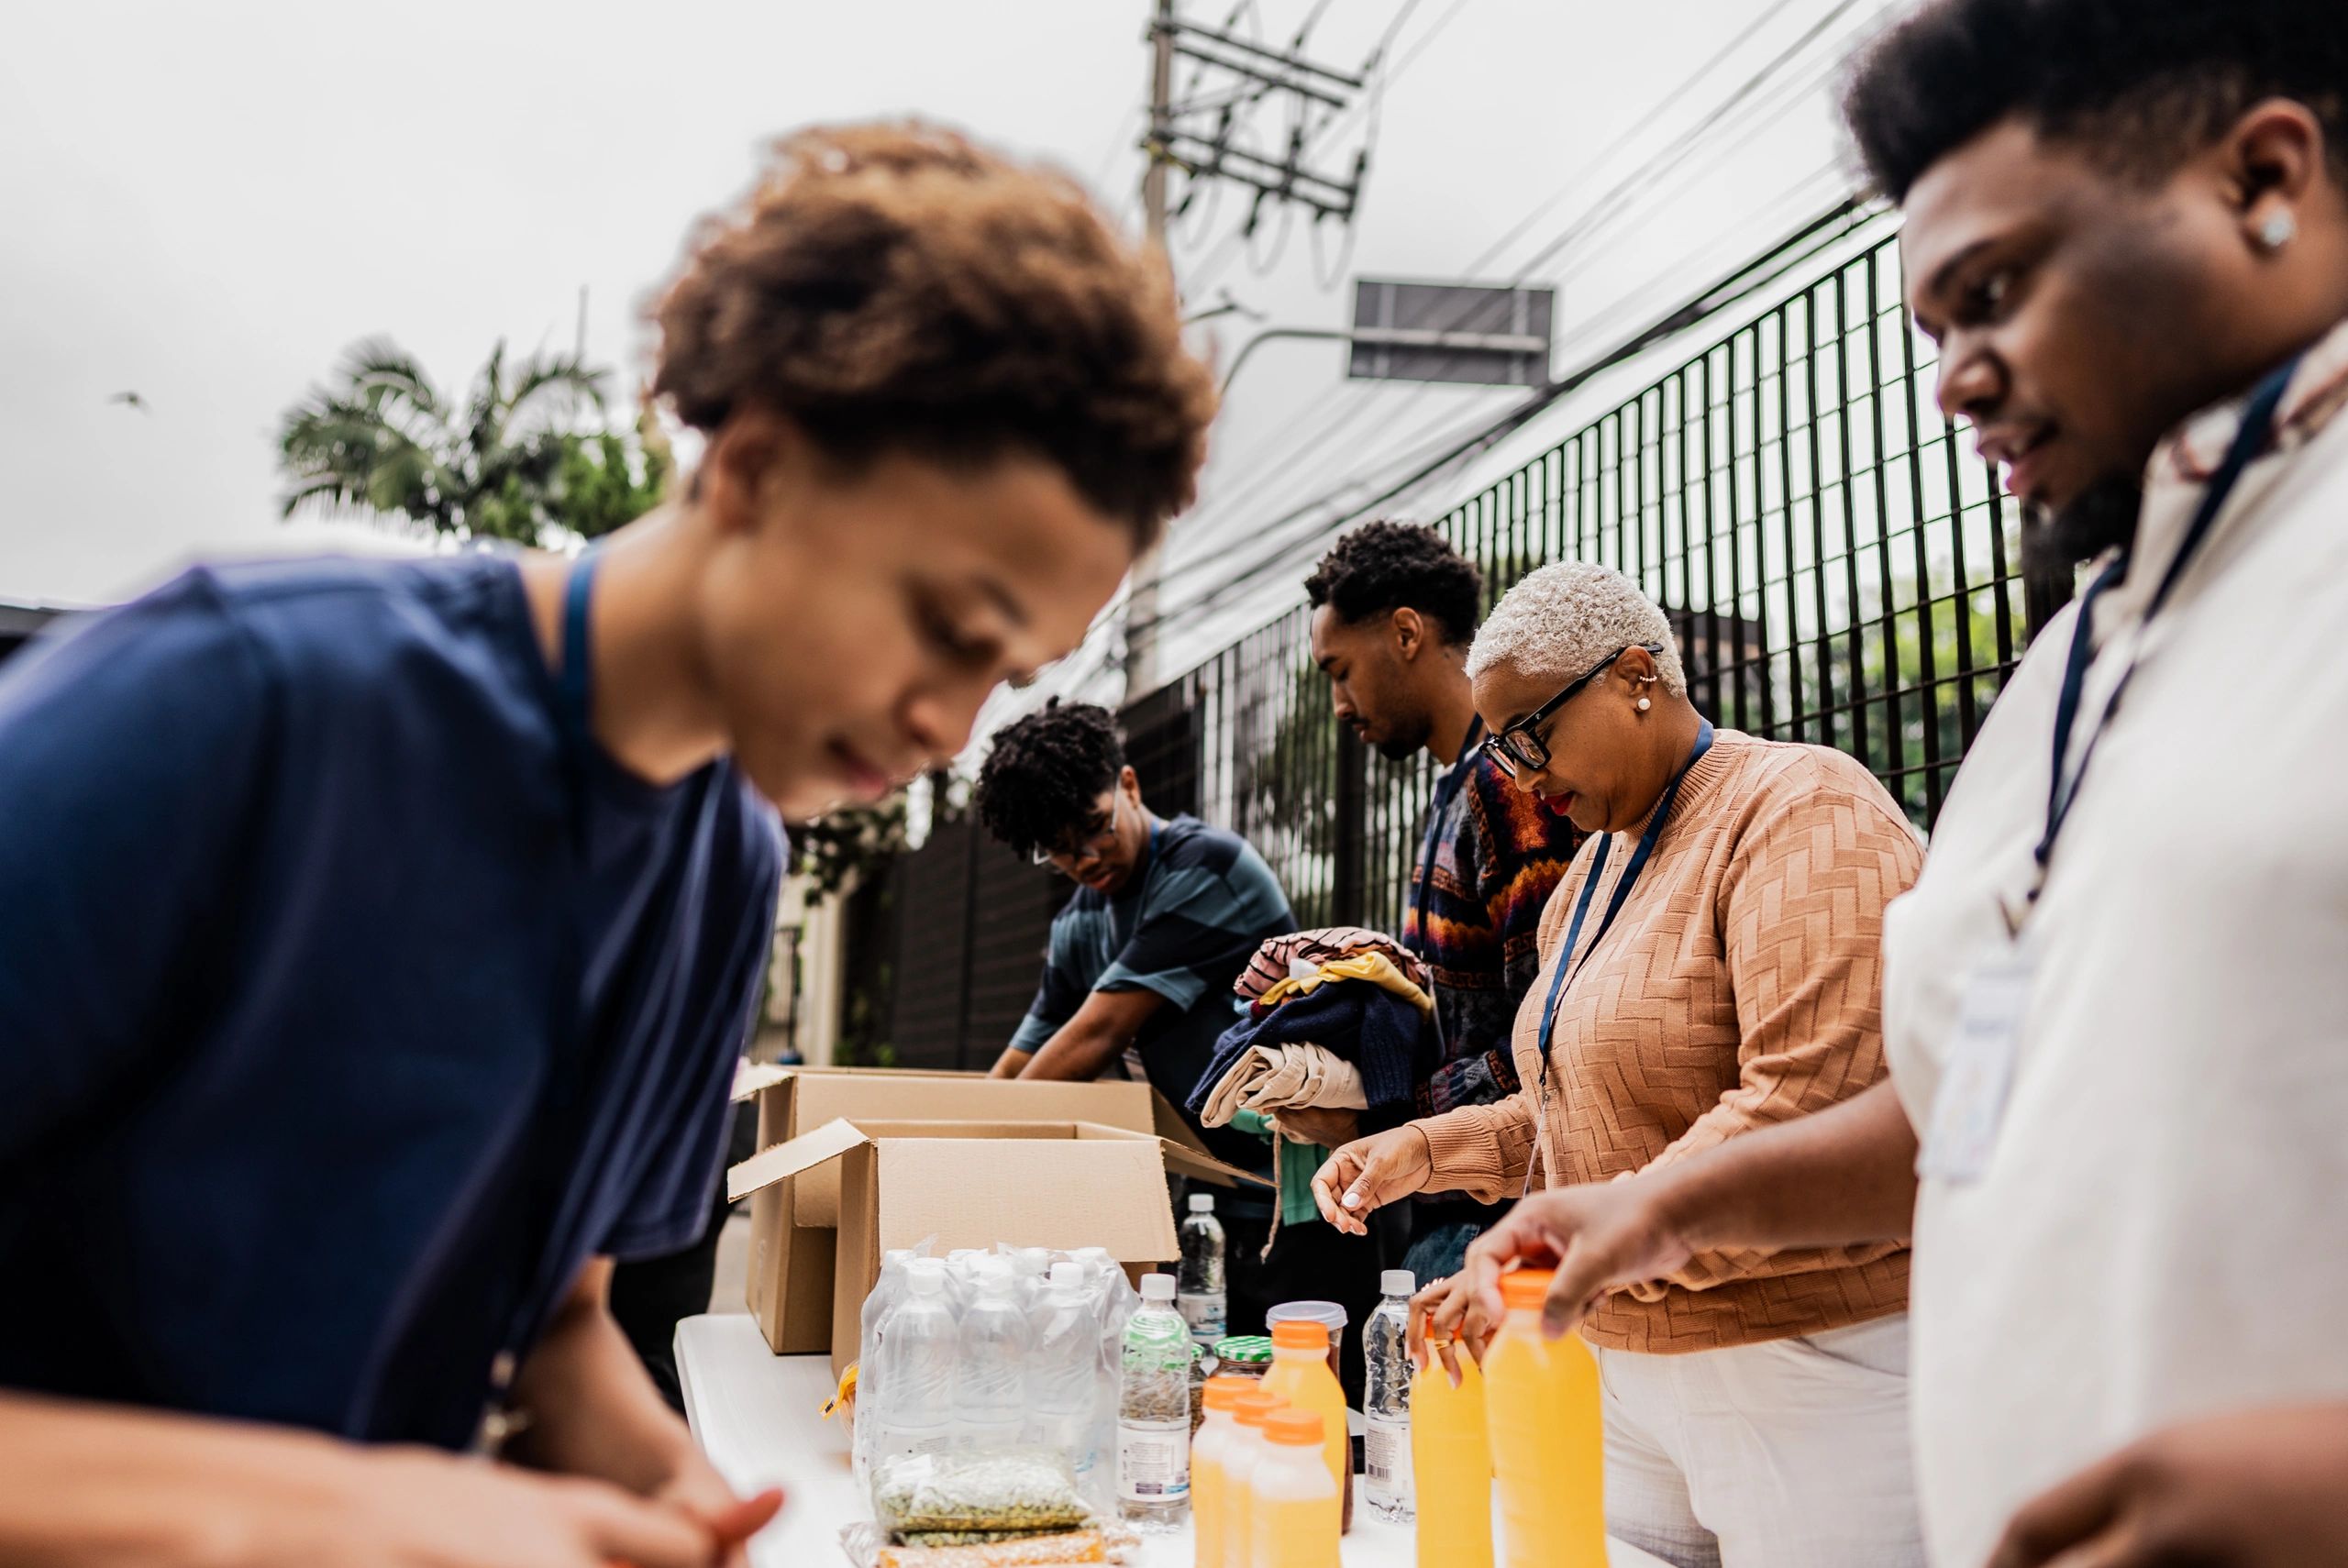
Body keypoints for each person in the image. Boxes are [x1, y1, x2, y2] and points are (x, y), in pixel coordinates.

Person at [0, 124, 1217, 1568]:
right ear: (759, 466)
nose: (950, 726)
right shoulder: (239, 697)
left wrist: (692, 1506)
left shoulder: (724, 870)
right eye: (948, 628)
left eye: (1004, 675)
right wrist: (363, 1507)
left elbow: (558, 1332)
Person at [1424, 5, 2348, 1567]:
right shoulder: (2083, 663)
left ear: (2264, 179)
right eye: (1930, 330)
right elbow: (1967, 1111)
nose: (1953, 385)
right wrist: (1655, 1212)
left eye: (1995, 292)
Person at [1315, 562, 1928, 1568]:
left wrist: (1555, 1257)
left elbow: (1812, 1104)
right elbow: (1576, 1111)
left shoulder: (1802, 807)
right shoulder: (1588, 874)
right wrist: (1423, 1151)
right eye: (1500, 748)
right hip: (1622, 1368)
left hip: (1809, 1370)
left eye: (1531, 735)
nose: (1520, 777)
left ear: (1636, 675)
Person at [979, 700, 1386, 1386]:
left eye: (1094, 827)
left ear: (1129, 785)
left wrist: (983, 1150)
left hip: (1296, 1199)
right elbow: (1027, 1054)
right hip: (1204, 1201)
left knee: (1309, 1403)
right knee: (1209, 1401)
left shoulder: (1206, 869)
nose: (1084, 858)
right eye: (1059, 850)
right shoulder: (1078, 922)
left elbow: (1096, 1033)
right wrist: (963, 1134)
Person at [1296, 521, 1583, 1281]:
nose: (1339, 704)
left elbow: (1552, 1042)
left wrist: (1376, 1113)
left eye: (1340, 671)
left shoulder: (1510, 786)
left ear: (1405, 633)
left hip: (1505, 1224)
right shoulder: (1461, 786)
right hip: (1463, 1203)